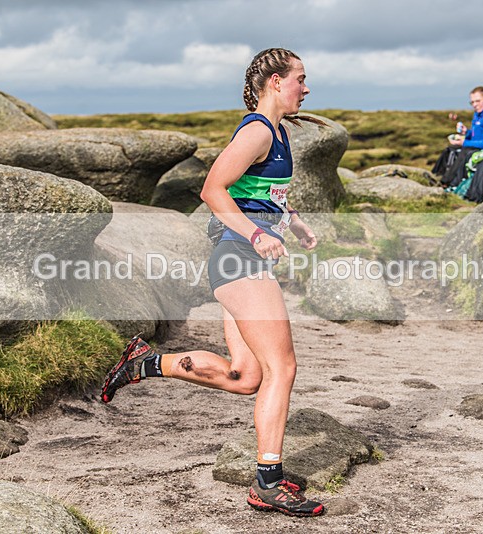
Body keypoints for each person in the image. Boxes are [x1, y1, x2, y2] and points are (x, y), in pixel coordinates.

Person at [100, 47, 325, 518]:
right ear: (275, 82)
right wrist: (258, 233)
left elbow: (260, 190)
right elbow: (213, 190)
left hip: (240, 261)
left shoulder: (279, 131)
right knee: (282, 368)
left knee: (247, 378)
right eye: (301, 79)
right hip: (239, 261)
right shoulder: (258, 130)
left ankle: (146, 362)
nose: (307, 88)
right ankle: (267, 481)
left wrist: (293, 221)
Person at [432, 86, 483, 187]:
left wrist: (464, 142)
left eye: (478, 101)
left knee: (465, 151)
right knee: (450, 149)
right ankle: (436, 175)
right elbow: (478, 134)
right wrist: (467, 133)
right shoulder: (479, 112)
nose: (475, 105)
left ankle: (447, 182)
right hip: (478, 145)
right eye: (472, 102)